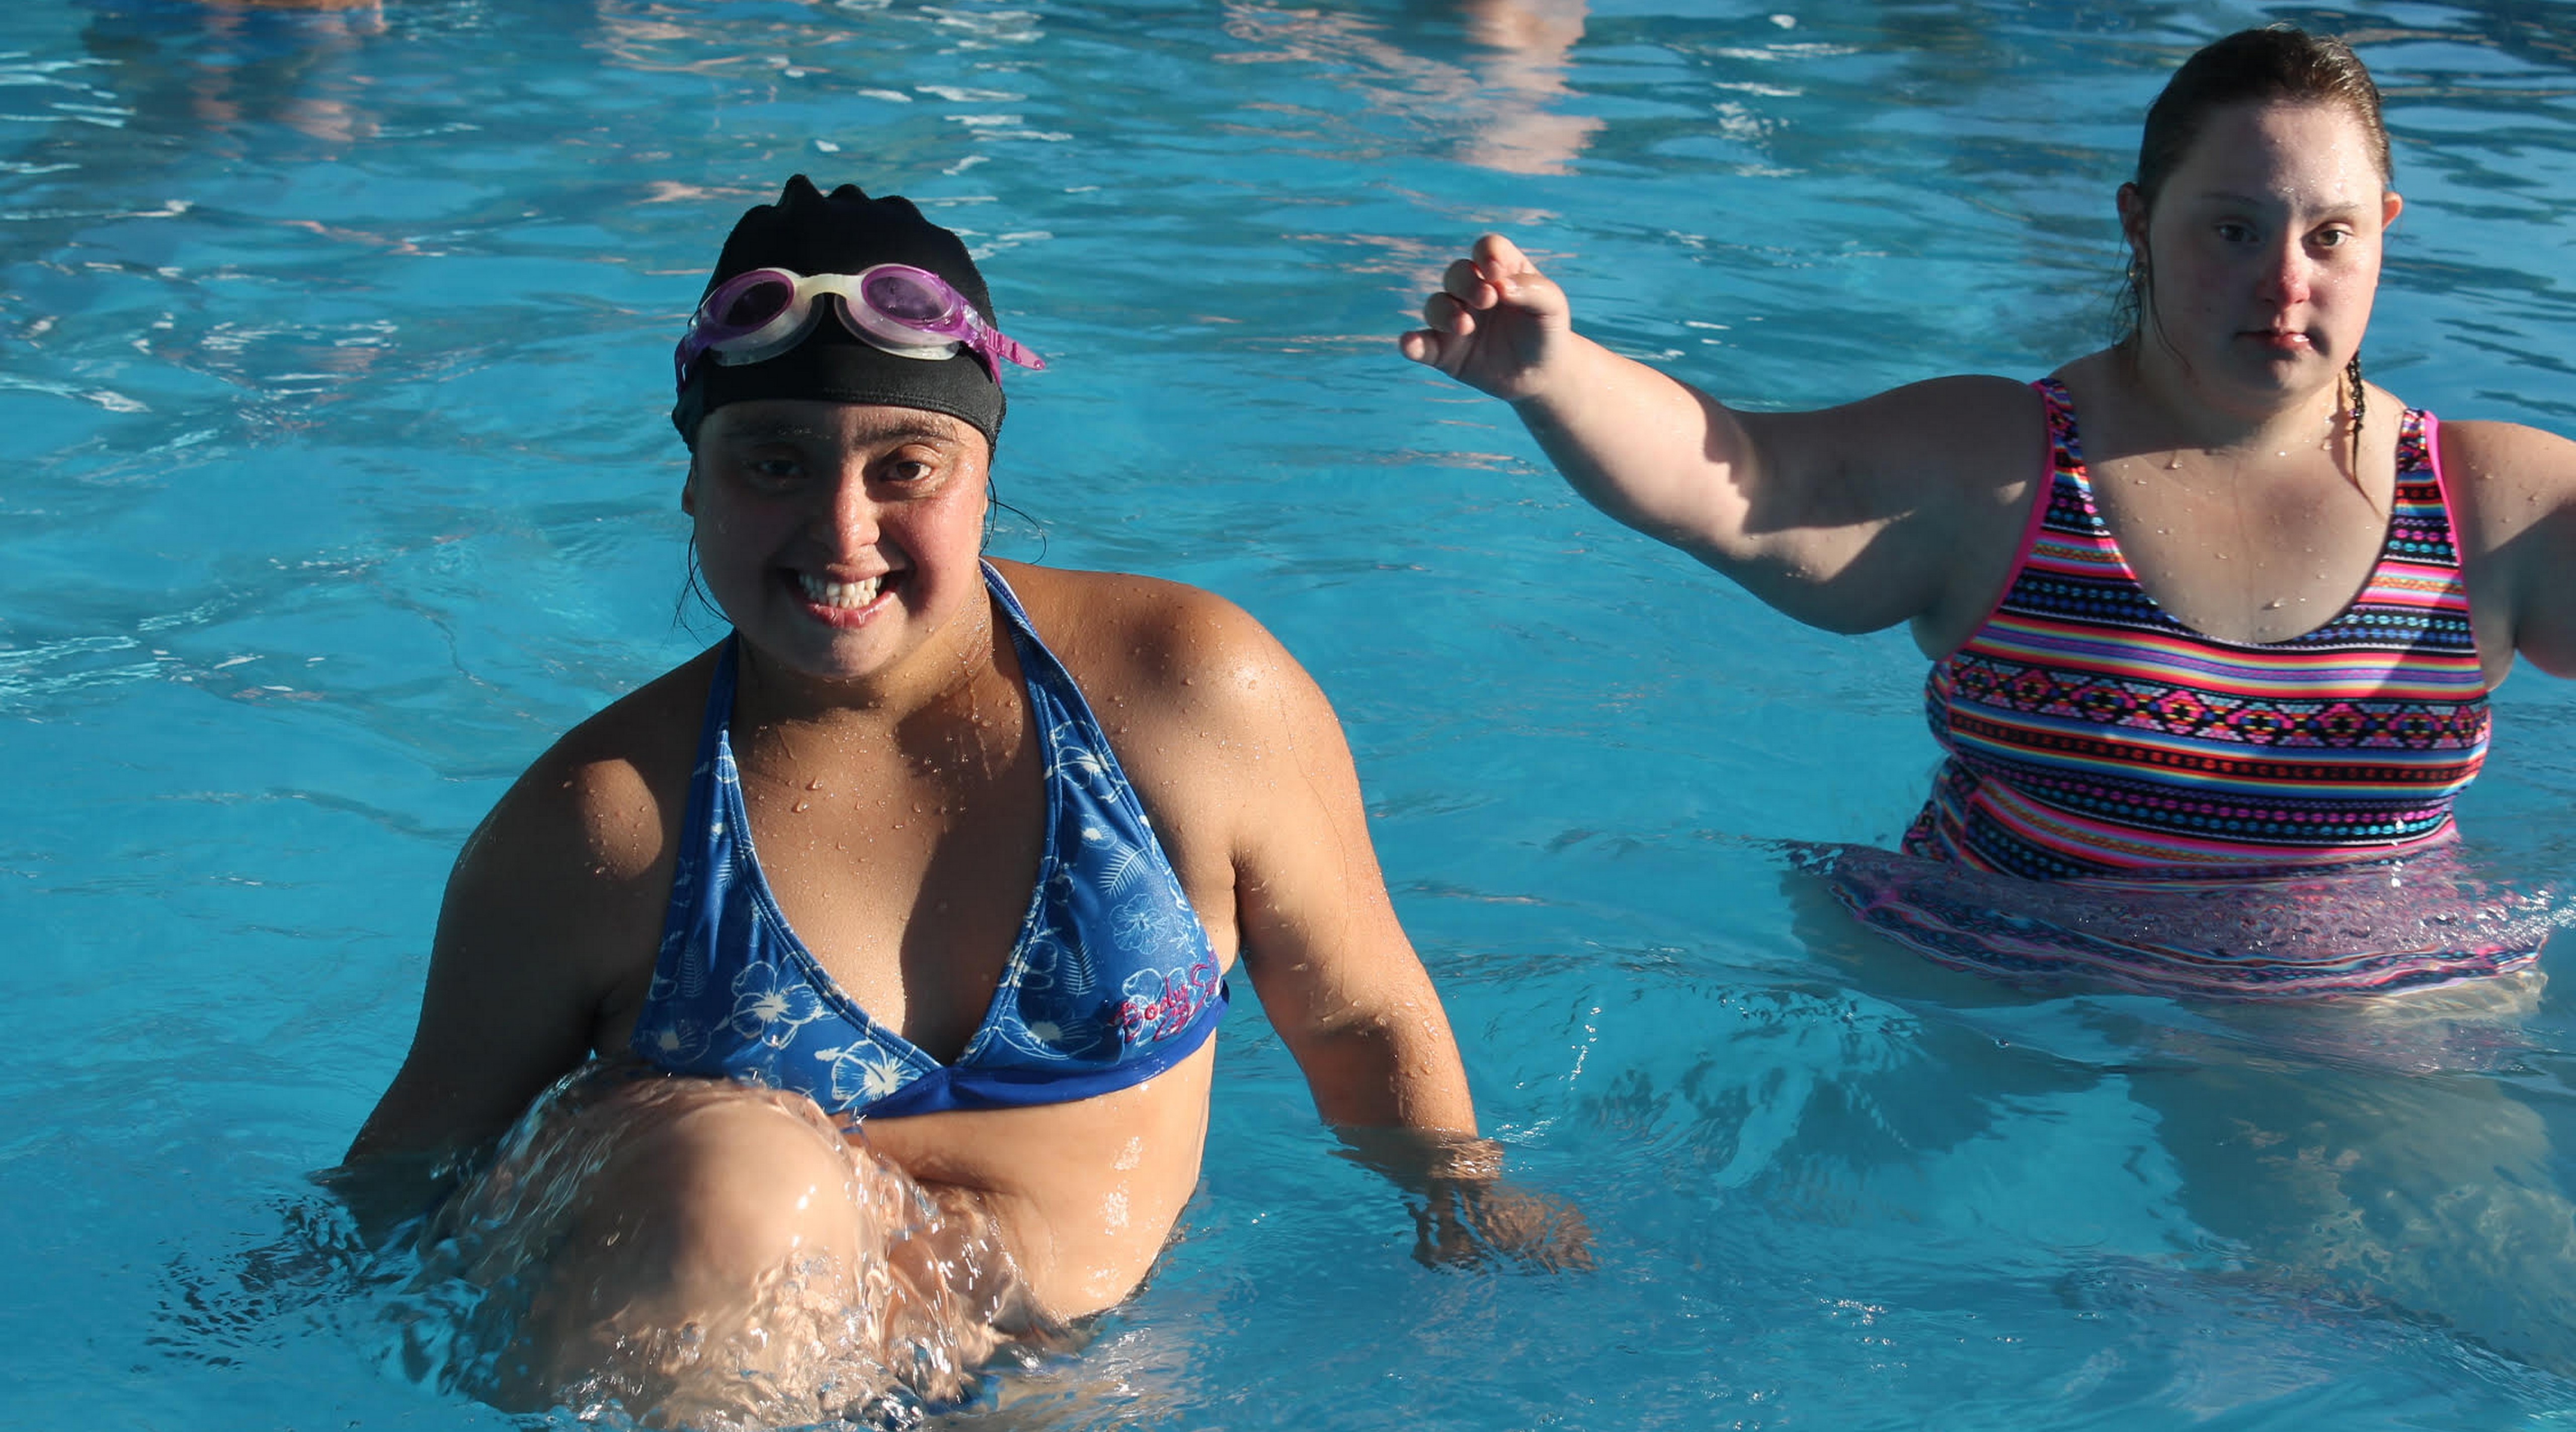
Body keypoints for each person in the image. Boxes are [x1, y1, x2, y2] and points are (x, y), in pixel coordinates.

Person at [347, 176, 1577, 1425]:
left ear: (985, 472)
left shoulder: (1185, 693)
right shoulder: (605, 822)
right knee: (743, 1175)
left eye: (906, 464)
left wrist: (1462, 1203)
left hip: (1069, 1368)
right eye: (771, 461)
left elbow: (1359, 1010)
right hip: (700, 1358)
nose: (841, 529)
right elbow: (408, 1175)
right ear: (690, 482)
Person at [1402, 24, 2576, 996]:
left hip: (2366, 1024)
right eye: (2232, 230)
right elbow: (1750, 484)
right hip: (2013, 1001)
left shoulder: (2490, 502)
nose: (2284, 281)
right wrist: (1556, 378)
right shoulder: (2006, 468)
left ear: (2385, 229)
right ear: (2137, 223)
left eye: (2330, 235)